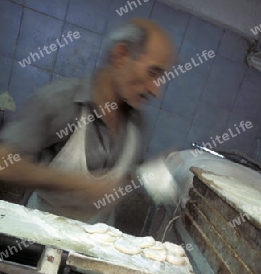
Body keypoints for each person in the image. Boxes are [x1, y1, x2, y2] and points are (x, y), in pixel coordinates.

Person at [0, 18, 174, 224]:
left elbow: (120, 181)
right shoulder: (59, 101)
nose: (156, 90)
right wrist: (76, 184)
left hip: (98, 238)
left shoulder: (136, 123)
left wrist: (149, 175)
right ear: (121, 55)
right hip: (41, 232)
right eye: (153, 73)